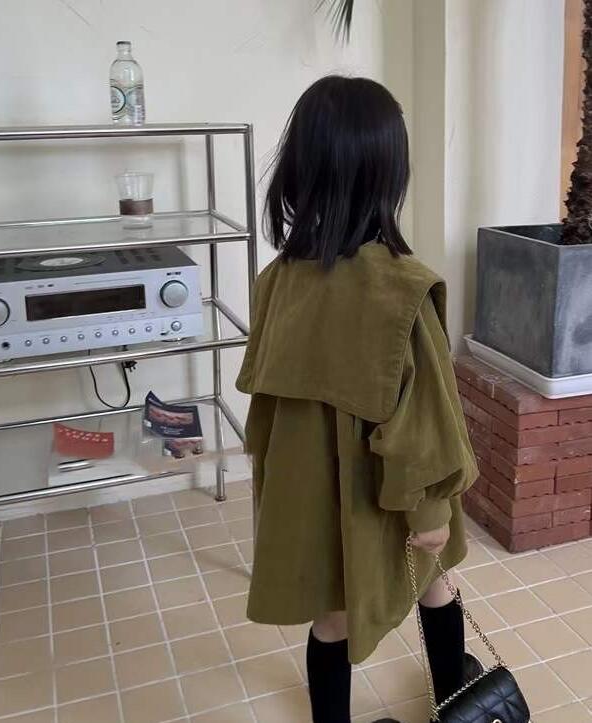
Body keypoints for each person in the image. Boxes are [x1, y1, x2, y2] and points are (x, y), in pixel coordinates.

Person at [236, 75, 481, 723]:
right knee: (435, 580)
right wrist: (432, 508)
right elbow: (423, 421)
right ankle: (456, 700)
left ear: (300, 169)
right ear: (388, 174)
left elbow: (265, 406)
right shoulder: (402, 290)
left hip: (311, 497)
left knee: (332, 615)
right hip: (390, 494)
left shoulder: (276, 281)